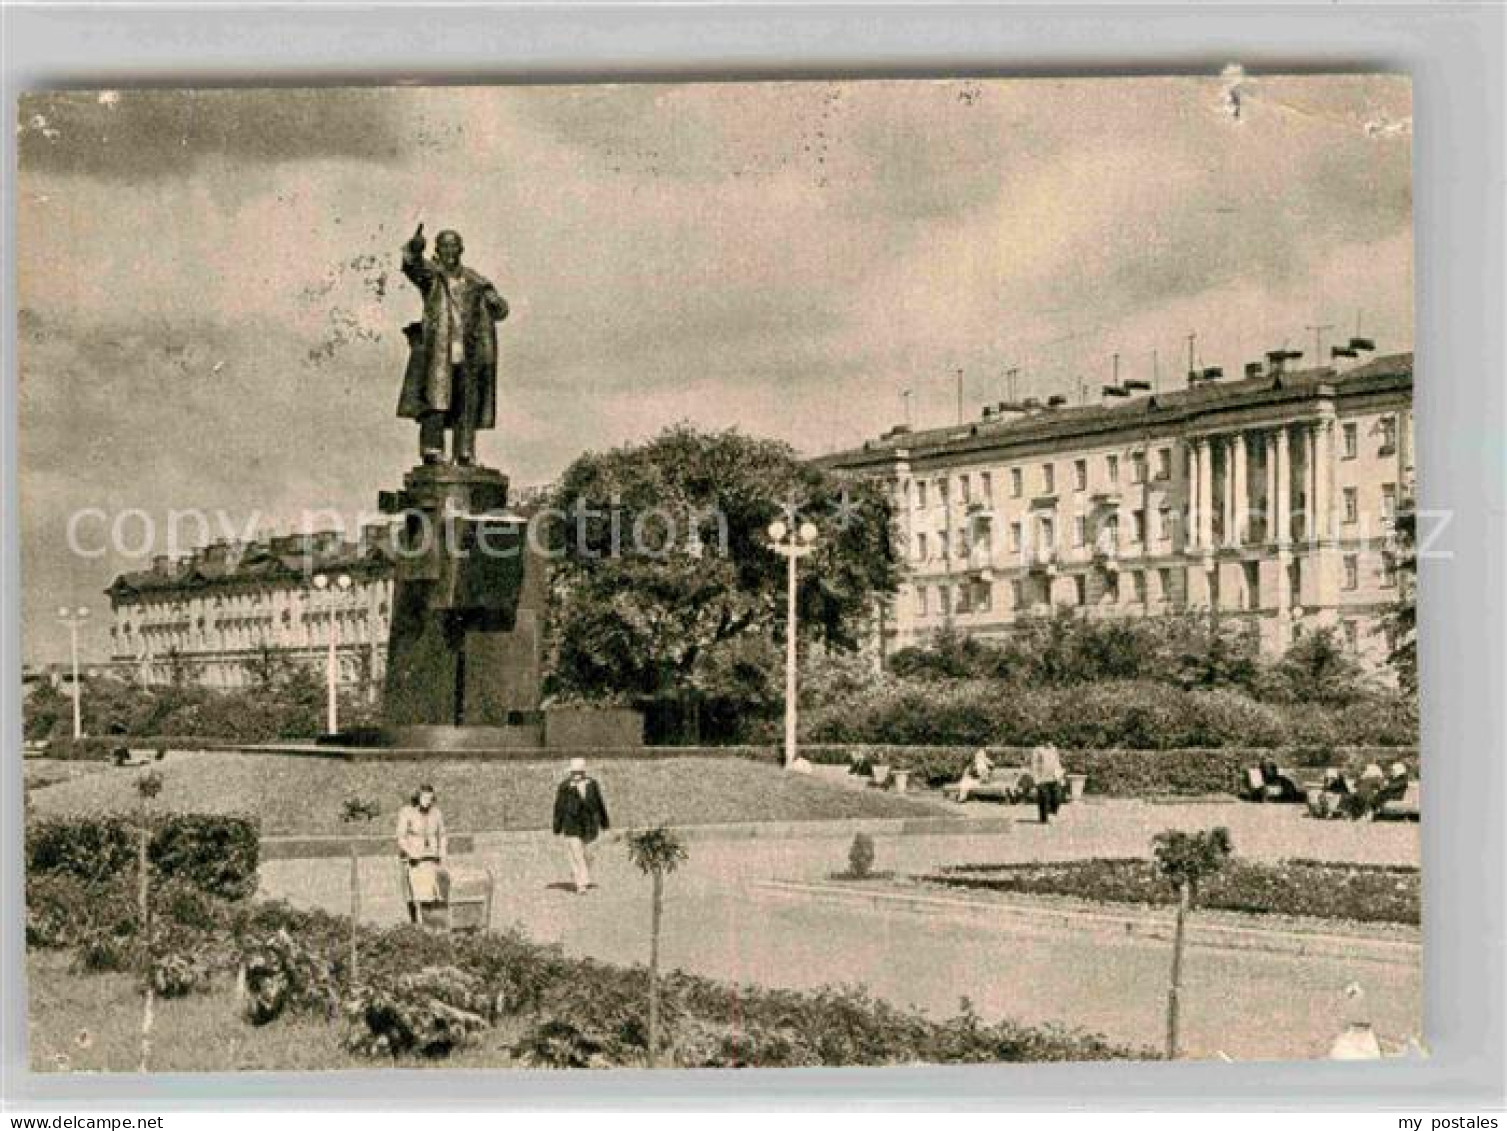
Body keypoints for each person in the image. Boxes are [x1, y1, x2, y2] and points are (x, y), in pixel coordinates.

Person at [398, 223, 509, 466]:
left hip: (469, 352)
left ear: (461, 249)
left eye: (454, 245)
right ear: (437, 249)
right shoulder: (432, 275)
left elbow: (500, 309)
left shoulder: (474, 280)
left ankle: (465, 452)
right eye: (444, 246)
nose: (450, 250)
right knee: (434, 402)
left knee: (466, 404)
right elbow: (412, 266)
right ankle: (432, 450)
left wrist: (496, 301)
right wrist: (414, 250)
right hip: (438, 350)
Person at [553, 757, 611, 894]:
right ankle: (581, 884)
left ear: (584, 772)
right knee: (576, 854)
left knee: (588, 854)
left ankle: (581, 876)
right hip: (571, 824)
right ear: (571, 773)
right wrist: (557, 825)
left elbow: (599, 802)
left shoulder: (592, 784)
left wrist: (604, 821)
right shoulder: (564, 786)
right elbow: (559, 806)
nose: (577, 775)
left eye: (579, 772)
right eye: (574, 772)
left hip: (589, 825)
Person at [396, 784, 448, 923]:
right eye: (424, 797)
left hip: (430, 857)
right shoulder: (407, 812)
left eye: (430, 798)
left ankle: (430, 921)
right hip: (413, 857)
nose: (427, 801)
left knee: (430, 891)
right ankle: (413, 920)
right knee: (412, 893)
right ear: (417, 797)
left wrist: (441, 852)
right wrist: (410, 852)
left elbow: (442, 834)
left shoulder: (436, 813)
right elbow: (401, 837)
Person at [1029, 743, 1065, 824]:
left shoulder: (1054, 749)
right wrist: (1036, 779)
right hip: (1042, 779)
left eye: (1051, 741)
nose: (1049, 743)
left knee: (1057, 797)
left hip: (1054, 778)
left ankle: (1053, 814)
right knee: (1044, 798)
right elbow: (1034, 765)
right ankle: (1044, 818)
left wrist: (1061, 777)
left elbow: (1057, 763)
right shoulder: (1037, 749)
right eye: (1047, 740)